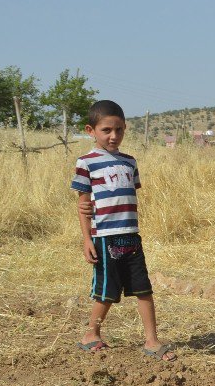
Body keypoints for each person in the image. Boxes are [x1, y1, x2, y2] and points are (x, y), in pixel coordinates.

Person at [72, 100, 176, 361]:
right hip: (104, 238)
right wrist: (87, 239)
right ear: (91, 130)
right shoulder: (86, 163)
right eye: (106, 130)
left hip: (131, 235)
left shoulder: (130, 162)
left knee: (144, 289)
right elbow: (83, 205)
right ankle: (91, 335)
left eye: (118, 130)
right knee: (107, 290)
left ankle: (151, 341)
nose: (113, 136)